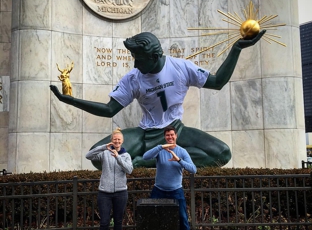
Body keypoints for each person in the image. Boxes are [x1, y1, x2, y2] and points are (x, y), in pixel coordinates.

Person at [50, 30, 265, 169]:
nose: (135, 65)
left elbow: (217, 82)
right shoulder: (134, 78)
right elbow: (109, 110)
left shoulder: (180, 67)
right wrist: (70, 100)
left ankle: (149, 162)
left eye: (139, 60)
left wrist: (237, 49)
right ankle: (162, 158)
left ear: (154, 57)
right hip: (145, 133)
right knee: (100, 157)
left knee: (222, 154)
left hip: (176, 131)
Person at [142, 125, 196, 230]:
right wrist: (160, 147)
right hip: (158, 191)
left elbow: (193, 169)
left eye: (172, 135)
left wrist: (179, 160)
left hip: (176, 192)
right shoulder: (160, 151)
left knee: (183, 222)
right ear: (165, 137)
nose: (170, 137)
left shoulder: (182, 151)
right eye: (167, 135)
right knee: (152, 221)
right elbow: (145, 157)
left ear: (176, 136)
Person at [85, 127, 133, 230]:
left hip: (120, 192)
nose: (116, 141)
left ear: (122, 141)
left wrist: (118, 158)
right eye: (114, 139)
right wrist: (103, 147)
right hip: (104, 193)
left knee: (118, 222)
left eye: (119, 139)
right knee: (104, 222)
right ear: (111, 140)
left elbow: (129, 170)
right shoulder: (104, 153)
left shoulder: (126, 155)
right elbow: (88, 156)